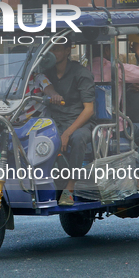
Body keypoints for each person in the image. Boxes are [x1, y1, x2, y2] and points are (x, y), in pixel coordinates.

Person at [91, 42, 139, 190]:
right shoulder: (116, 69)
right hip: (116, 128)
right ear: (108, 49)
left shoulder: (83, 70)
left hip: (93, 128)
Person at [42, 41, 95, 206]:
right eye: (50, 49)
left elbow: (89, 110)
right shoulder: (47, 73)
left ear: (67, 51)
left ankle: (70, 188)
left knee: (78, 138)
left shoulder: (81, 73)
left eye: (56, 49)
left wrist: (67, 133)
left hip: (80, 123)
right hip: (56, 121)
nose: (53, 52)